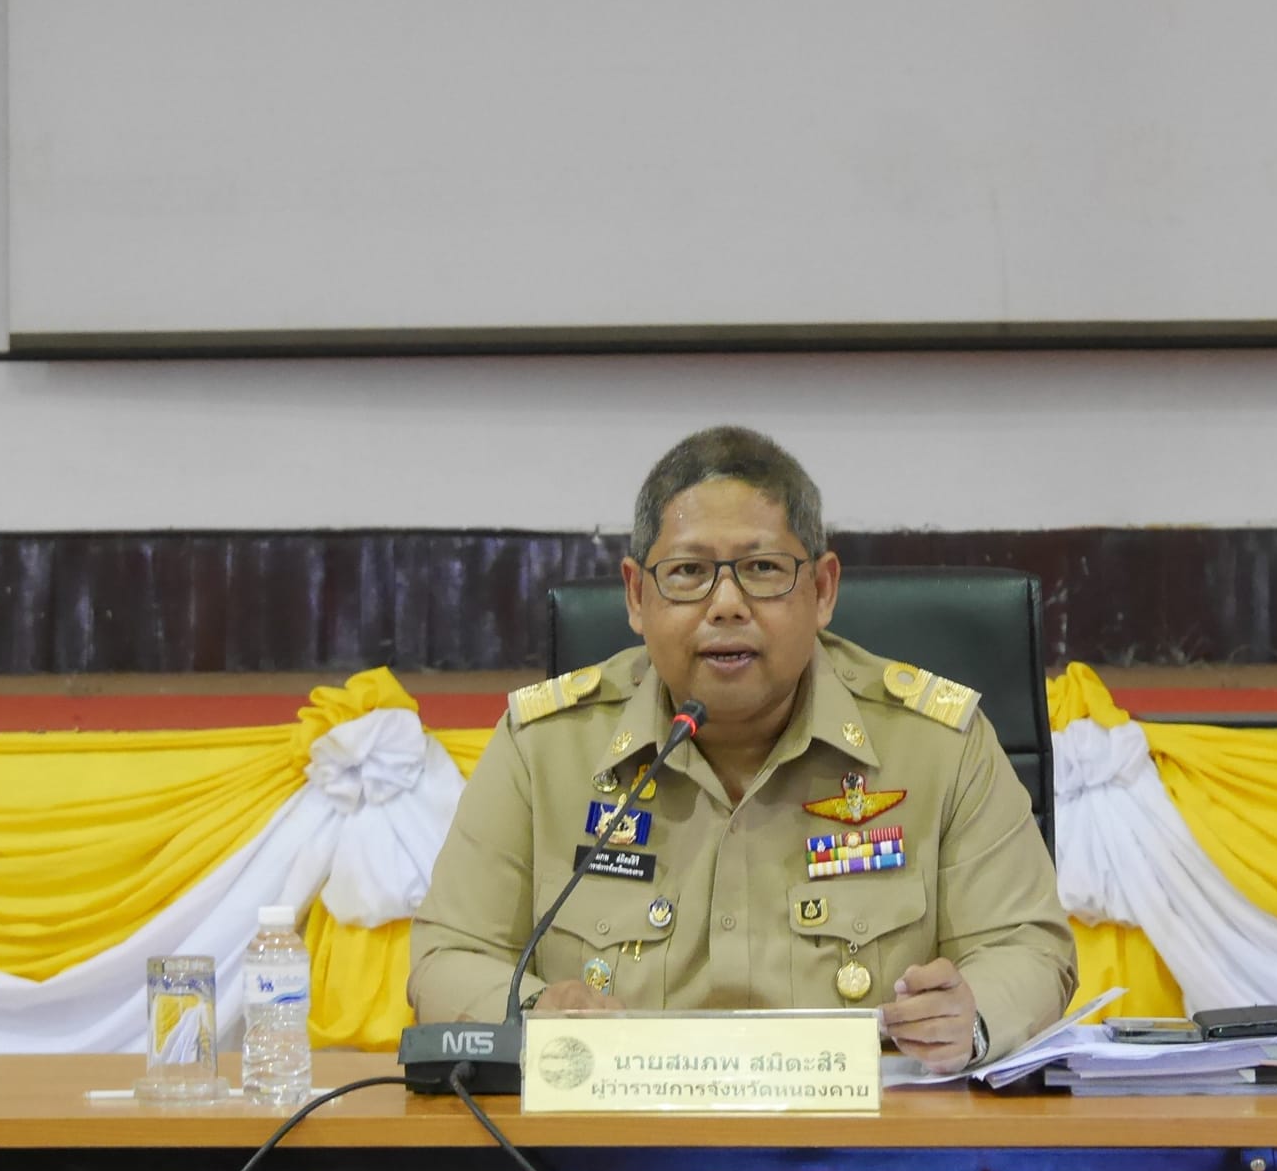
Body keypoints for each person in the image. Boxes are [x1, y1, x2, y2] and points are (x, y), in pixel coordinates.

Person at [408, 426, 1076, 1072]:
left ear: (822, 589)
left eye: (761, 569)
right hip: (606, 1169)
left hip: (879, 1164)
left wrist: (971, 1012)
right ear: (637, 595)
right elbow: (448, 954)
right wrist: (535, 1012)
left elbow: (1027, 946)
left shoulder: (937, 744)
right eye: (689, 571)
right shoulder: (544, 747)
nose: (726, 603)